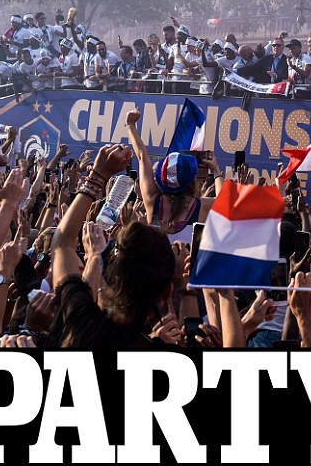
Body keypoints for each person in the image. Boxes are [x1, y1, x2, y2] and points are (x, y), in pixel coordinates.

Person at [48, 144, 176, 348]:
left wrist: (97, 176)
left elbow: (62, 243)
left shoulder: (81, 321)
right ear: (167, 292)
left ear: (106, 274)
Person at [124, 108, 223, 243]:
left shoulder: (153, 202)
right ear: (192, 180)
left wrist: (130, 125)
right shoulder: (201, 207)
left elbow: (142, 157)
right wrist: (216, 171)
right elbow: (224, 202)